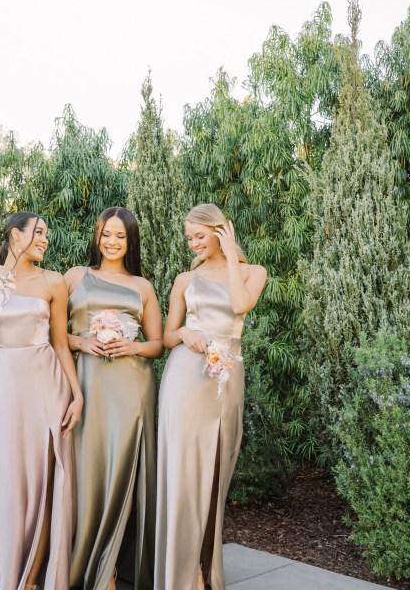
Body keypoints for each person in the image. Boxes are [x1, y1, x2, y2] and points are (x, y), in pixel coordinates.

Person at [0, 211, 85, 590]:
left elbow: (61, 344)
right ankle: (15, 572)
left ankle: (33, 579)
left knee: (47, 481)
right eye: (38, 233)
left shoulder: (54, 282)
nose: (45, 240)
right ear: (16, 236)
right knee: (11, 482)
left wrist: (77, 394)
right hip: (5, 391)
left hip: (46, 385)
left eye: (48, 234)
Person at [154, 204, 267, 590]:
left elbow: (240, 305)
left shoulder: (254, 272)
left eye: (199, 236)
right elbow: (167, 337)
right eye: (189, 238)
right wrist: (185, 334)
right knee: (185, 473)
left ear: (220, 231)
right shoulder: (185, 279)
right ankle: (187, 574)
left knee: (218, 469)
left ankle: (205, 563)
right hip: (186, 376)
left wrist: (231, 254)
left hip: (226, 377)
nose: (192, 244)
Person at [64, 207, 163, 590]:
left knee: (123, 469)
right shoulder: (74, 277)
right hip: (87, 386)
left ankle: (111, 570)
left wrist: (131, 346)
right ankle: (85, 560)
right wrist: (81, 341)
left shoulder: (143, 287)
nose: (112, 242)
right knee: (90, 470)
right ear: (97, 236)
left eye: (121, 236)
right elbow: (55, 333)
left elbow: (157, 345)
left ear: (130, 240)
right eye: (107, 234)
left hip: (131, 385)